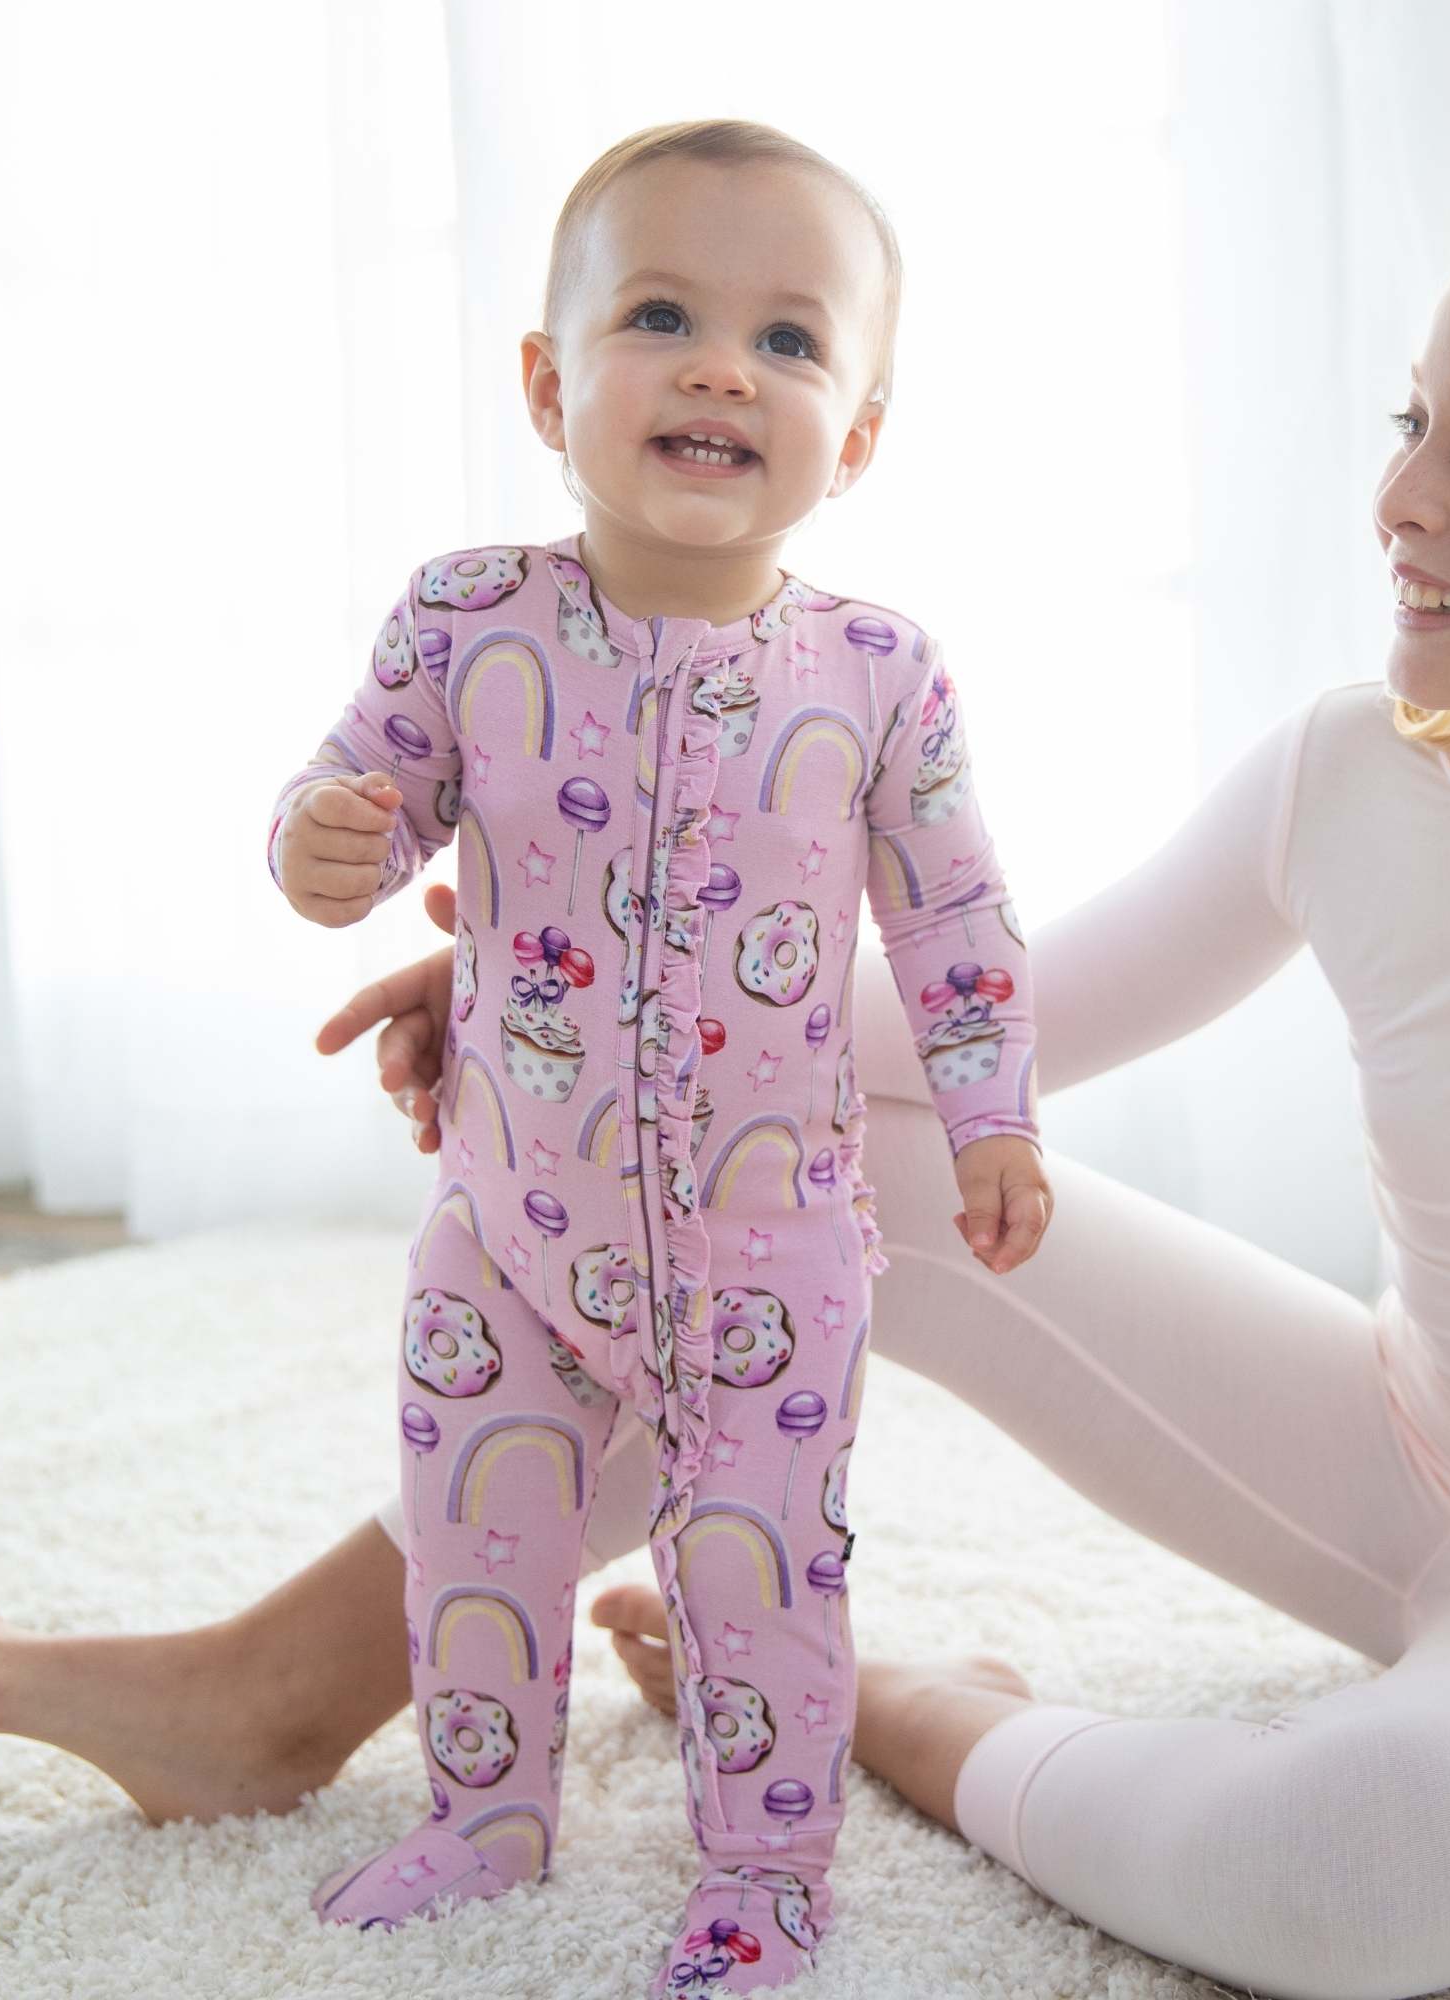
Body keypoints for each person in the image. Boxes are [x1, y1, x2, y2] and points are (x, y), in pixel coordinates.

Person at [0, 147, 1450, 2000]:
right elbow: (946, 1045)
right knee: (798, 1149)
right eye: (1408, 425)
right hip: (1388, 1451)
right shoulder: (1346, 776)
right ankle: (272, 1687)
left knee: (1353, 1872)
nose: (1398, 498)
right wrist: (560, 996)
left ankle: (919, 1707)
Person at [262, 117, 1053, 1994]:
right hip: (506, 1221)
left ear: (854, 435)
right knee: (470, 1539)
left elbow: (956, 919)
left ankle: (765, 1868)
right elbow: (347, 797)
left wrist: (994, 1119)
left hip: (767, 1251)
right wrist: (321, 848)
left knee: (761, 1573)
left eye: (791, 343)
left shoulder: (881, 671)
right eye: (662, 315)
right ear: (551, 385)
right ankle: (482, 1813)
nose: (720, 366)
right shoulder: (468, 619)